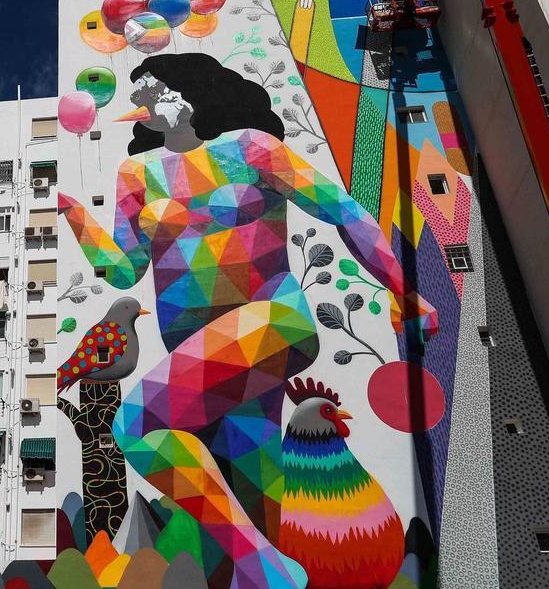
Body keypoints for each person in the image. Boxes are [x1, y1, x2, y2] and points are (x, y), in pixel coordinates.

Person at [58, 53, 437, 589]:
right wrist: (73, 213)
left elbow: (342, 210)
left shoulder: (250, 149)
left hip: (272, 322)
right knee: (254, 485)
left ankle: (268, 573)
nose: (141, 101)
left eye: (153, 89)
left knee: (139, 425)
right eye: (137, 95)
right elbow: (123, 271)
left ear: (196, 91)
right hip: (197, 351)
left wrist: (404, 288)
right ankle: (288, 570)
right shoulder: (135, 174)